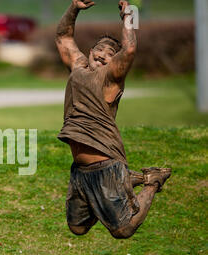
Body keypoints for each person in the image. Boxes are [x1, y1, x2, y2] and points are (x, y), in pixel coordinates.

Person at [55, 0, 171, 239]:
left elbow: (128, 50)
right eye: (100, 49)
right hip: (80, 170)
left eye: (110, 54)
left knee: (123, 229)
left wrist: (128, 17)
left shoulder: (111, 78)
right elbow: (63, 37)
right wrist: (74, 8)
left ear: (114, 62)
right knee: (77, 227)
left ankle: (153, 181)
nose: (103, 55)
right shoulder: (78, 67)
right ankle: (128, 180)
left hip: (106, 166)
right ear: (90, 52)